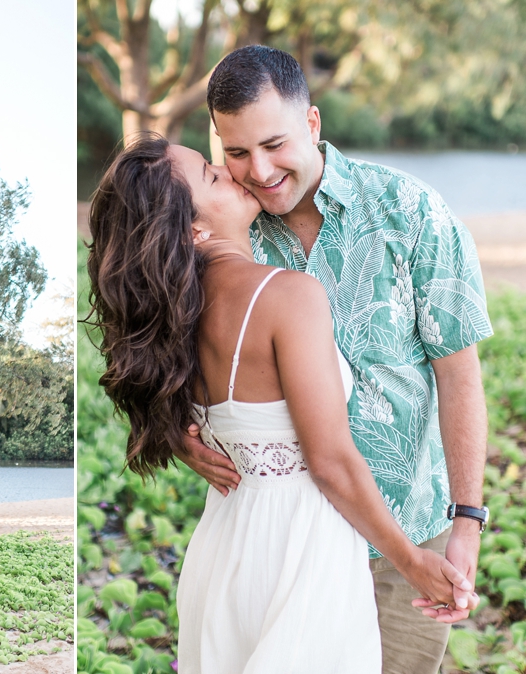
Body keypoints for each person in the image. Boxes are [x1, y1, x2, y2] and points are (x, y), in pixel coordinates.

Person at [86, 134, 476, 673]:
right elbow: (330, 463)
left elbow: (175, 392)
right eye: (213, 171)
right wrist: (411, 561)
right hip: (302, 549)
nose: (234, 172)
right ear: (194, 229)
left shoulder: (175, 311)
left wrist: (179, 430)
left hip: (230, 542)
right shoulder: (286, 294)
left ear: (310, 122)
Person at [174, 45, 493, 673]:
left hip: (406, 531)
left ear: (312, 124)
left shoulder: (413, 214)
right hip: (286, 548)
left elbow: (459, 376)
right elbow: (160, 337)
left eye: (274, 144)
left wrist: (467, 520)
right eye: (236, 153)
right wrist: (172, 424)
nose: (259, 171)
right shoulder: (223, 230)